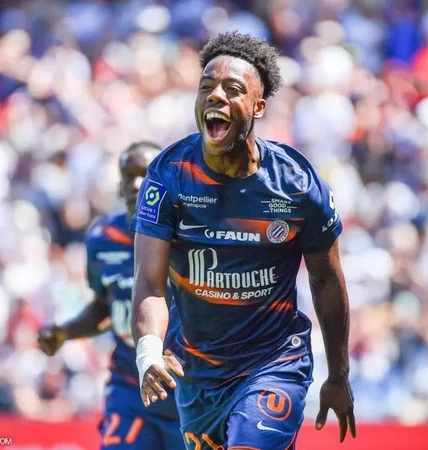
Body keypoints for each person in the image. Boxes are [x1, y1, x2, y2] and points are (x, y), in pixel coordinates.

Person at [131, 32, 356, 450]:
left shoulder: (296, 183)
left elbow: (326, 279)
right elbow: (149, 282)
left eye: (233, 89)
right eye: (206, 87)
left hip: (274, 362)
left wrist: (338, 376)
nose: (215, 95)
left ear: (258, 107)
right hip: (197, 374)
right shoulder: (168, 175)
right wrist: (148, 352)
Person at [37, 142, 184, 450]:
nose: (136, 184)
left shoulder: (189, 236)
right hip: (130, 387)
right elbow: (105, 308)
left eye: (146, 175)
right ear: (119, 184)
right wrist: (65, 332)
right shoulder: (102, 238)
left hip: (185, 388)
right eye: (128, 176)